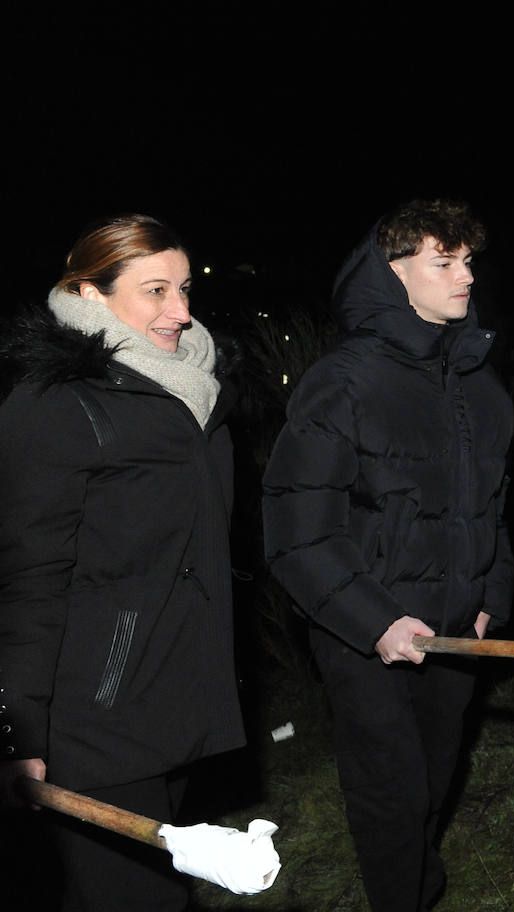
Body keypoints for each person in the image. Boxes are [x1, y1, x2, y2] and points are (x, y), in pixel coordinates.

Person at [261, 198, 513, 912]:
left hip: (458, 629)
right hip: (364, 634)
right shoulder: (343, 382)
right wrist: (376, 623)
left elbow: (495, 508)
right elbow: (297, 532)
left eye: (468, 259)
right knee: (391, 793)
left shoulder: (480, 383)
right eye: (444, 261)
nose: (464, 274)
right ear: (392, 272)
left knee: (432, 782)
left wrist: (492, 594)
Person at [0, 215, 244, 911]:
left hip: (171, 700)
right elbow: (25, 583)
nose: (182, 312)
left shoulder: (187, 391)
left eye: (187, 289)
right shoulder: (54, 405)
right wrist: (16, 734)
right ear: (89, 292)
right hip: (92, 720)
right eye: (156, 291)